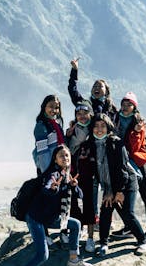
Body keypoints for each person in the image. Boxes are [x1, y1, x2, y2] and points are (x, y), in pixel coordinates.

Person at [85, 113, 146, 256]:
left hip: (126, 183)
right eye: (96, 126)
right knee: (106, 211)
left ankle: (143, 241)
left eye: (103, 126)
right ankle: (103, 243)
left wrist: (118, 192)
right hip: (109, 186)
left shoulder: (116, 142)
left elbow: (122, 170)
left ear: (108, 128)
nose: (99, 129)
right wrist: (109, 191)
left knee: (126, 212)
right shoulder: (91, 145)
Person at [68, 58, 118, 237]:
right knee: (91, 188)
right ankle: (93, 220)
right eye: (94, 86)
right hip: (88, 154)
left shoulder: (111, 109)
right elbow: (73, 92)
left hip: (106, 152)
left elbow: (117, 129)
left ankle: (107, 221)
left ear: (106, 91)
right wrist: (75, 71)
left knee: (109, 186)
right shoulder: (86, 105)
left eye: (101, 86)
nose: (97, 88)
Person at [26, 144, 91, 266]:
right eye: (61, 156)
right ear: (55, 159)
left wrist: (74, 186)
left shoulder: (66, 175)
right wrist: (52, 189)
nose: (65, 157)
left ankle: (73, 259)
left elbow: (80, 196)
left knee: (76, 224)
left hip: (50, 217)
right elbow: (46, 189)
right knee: (42, 256)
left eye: (67, 155)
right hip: (36, 219)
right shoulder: (53, 174)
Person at [111, 92, 146, 240]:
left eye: (129, 104)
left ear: (134, 107)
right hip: (120, 161)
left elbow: (136, 147)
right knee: (118, 196)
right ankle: (129, 227)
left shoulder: (138, 121)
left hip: (136, 161)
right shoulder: (115, 118)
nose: (125, 107)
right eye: (123, 104)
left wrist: (136, 131)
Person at [65, 102, 97, 253]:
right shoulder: (72, 130)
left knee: (89, 203)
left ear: (90, 114)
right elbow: (66, 150)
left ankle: (90, 238)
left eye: (85, 113)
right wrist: (67, 136)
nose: (82, 116)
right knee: (74, 204)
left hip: (89, 171)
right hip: (74, 171)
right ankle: (77, 232)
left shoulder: (95, 128)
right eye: (79, 114)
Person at [32, 95, 65, 175]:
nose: (54, 110)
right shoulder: (41, 126)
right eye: (51, 106)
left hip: (58, 166)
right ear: (44, 107)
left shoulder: (56, 124)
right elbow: (42, 152)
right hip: (48, 169)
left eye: (56, 107)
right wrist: (48, 174)